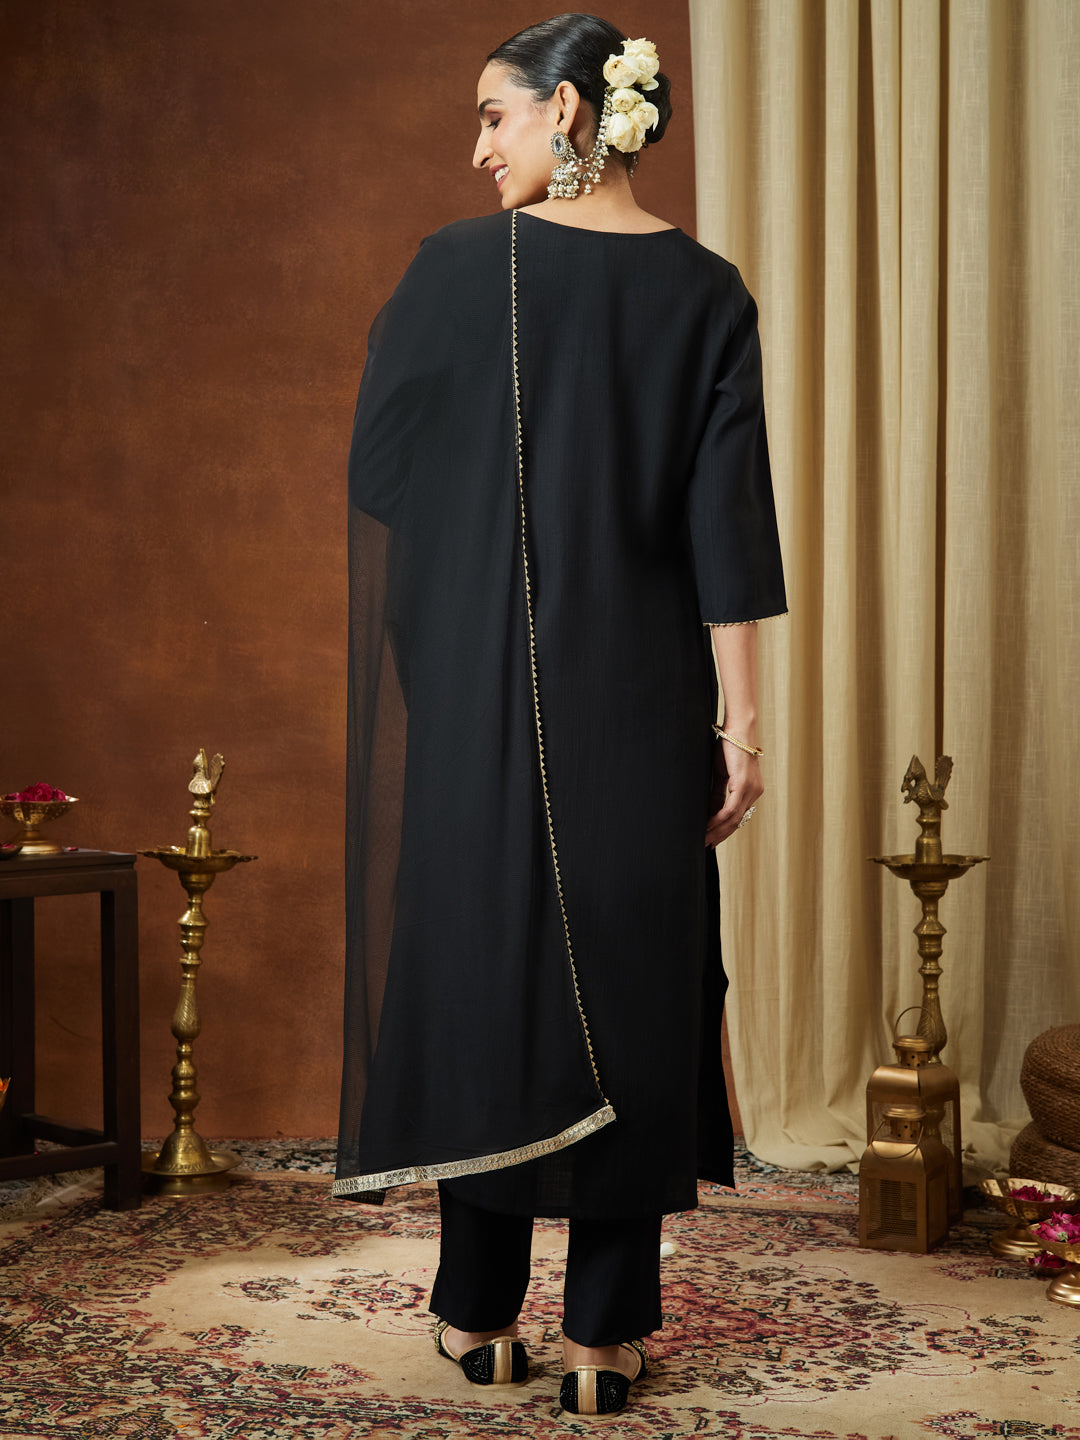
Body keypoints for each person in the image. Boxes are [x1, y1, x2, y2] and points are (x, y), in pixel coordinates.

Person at [333, 13, 786, 1419]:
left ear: (572, 110)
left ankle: (477, 1312)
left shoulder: (457, 270)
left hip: (486, 695)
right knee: (634, 983)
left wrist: (488, 548)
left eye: (496, 116)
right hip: (646, 704)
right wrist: (742, 724)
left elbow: (380, 468)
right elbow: (729, 531)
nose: (480, 150)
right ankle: (604, 1334)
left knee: (489, 968)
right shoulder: (709, 294)